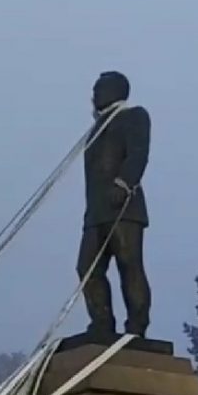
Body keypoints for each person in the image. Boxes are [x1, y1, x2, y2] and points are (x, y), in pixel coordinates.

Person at [77, 70, 153, 337]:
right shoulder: (95, 130)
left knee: (129, 264)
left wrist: (123, 183)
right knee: (86, 268)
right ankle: (102, 323)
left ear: (116, 91)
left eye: (99, 89)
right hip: (96, 212)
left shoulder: (134, 116)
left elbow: (139, 153)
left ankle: (136, 327)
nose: (94, 95)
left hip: (124, 208)